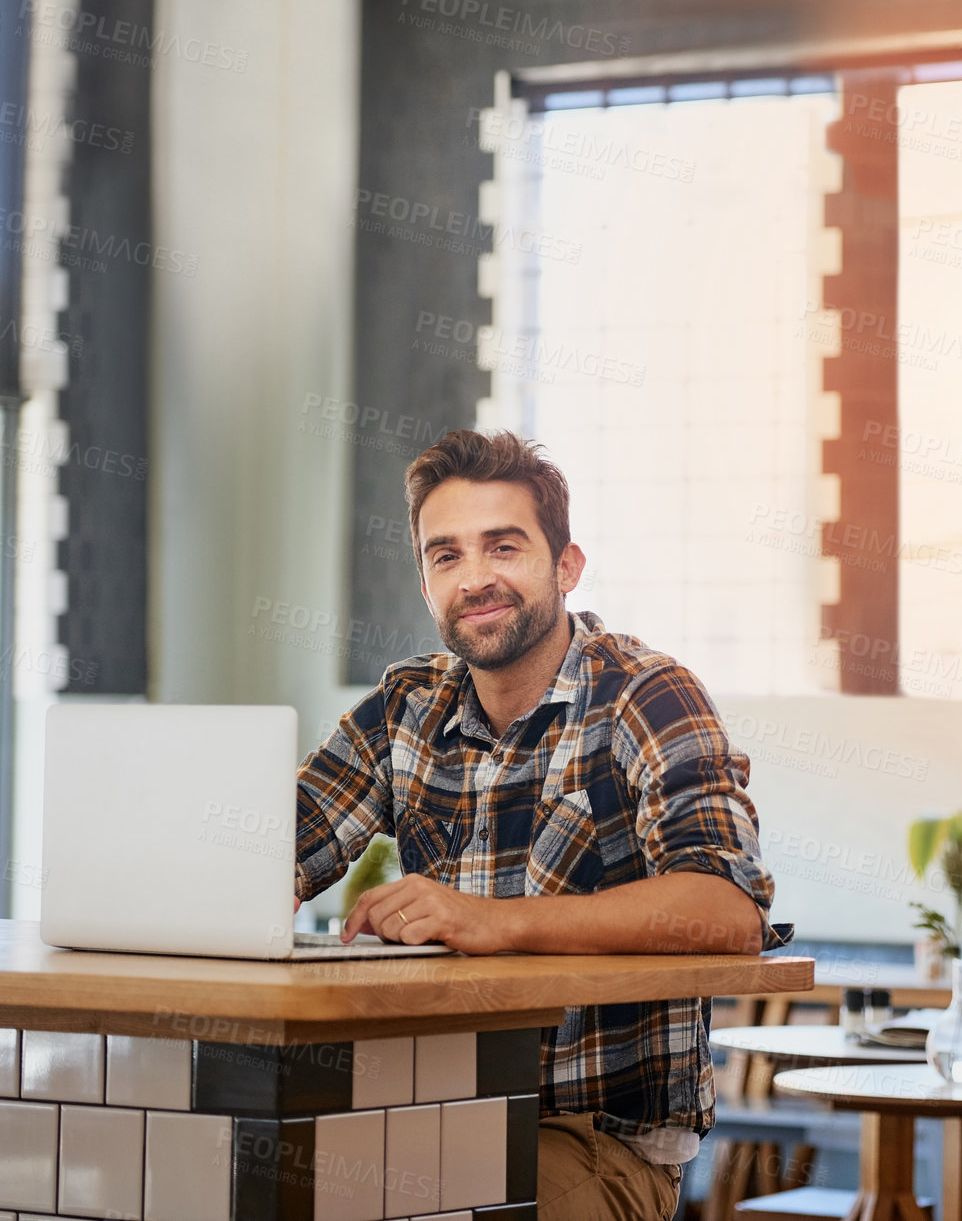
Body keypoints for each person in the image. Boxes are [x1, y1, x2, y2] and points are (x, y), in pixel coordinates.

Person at [294, 428, 788, 1218]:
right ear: (425, 584)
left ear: (566, 566)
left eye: (503, 547)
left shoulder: (647, 694)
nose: (475, 578)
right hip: (424, 1113)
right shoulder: (404, 707)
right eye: (445, 555)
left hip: (597, 1138)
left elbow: (727, 913)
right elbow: (274, 849)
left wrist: (492, 922)